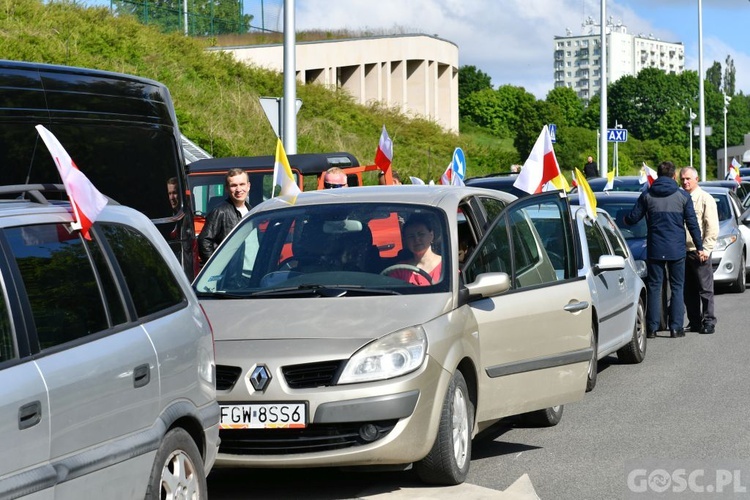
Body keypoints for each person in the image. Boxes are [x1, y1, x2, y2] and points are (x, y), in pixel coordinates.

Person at [625, 161, 704, 339]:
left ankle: (652, 328)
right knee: (677, 287)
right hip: (677, 249)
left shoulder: (647, 195)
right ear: (674, 176)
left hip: (654, 248)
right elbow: (692, 224)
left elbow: (632, 218)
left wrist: (622, 220)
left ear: (658, 176)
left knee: (654, 287)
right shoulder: (683, 197)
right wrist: (699, 246)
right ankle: (676, 328)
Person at [679, 167, 718, 334]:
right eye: (682, 179)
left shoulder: (705, 198)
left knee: (705, 289)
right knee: (689, 290)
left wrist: (706, 249)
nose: (685, 182)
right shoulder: (680, 198)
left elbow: (712, 226)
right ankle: (694, 321)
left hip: (699, 251)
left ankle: (708, 321)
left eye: (688, 179)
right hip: (682, 251)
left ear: (696, 179)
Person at [198, 168, 251, 264]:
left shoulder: (252, 211)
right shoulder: (220, 211)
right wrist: (217, 269)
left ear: (248, 186)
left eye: (242, 184)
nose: (239, 189)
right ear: (226, 188)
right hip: (233, 275)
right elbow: (204, 241)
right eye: (234, 186)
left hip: (254, 272)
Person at [389, 215, 442, 286]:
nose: (416, 239)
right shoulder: (398, 270)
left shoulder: (447, 266)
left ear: (431, 235)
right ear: (406, 241)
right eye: (411, 236)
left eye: (421, 234)